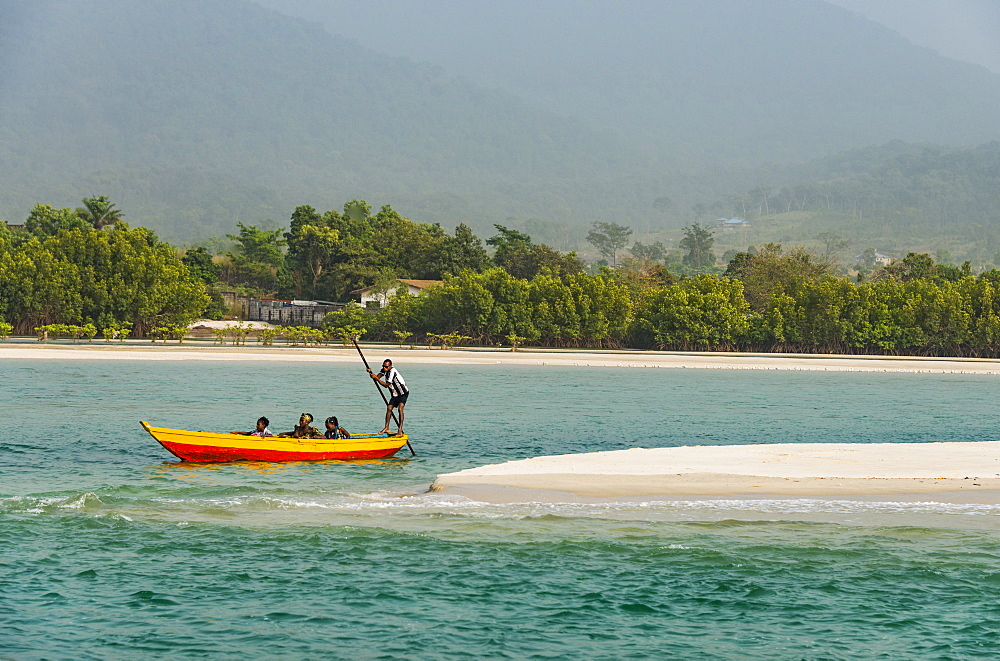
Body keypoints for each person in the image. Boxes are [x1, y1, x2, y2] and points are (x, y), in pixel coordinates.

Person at [369, 358, 408, 436]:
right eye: (383, 366)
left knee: (400, 409)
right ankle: (386, 427)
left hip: (403, 393)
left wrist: (376, 378)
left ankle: (400, 430)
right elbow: (377, 377)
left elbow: (386, 385)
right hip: (395, 394)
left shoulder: (392, 372)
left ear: (390, 366)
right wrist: (371, 372)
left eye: (386, 367)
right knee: (389, 408)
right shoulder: (384, 370)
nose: (384, 368)